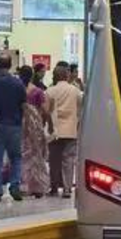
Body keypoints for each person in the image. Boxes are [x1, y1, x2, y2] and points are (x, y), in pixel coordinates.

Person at [0, 54, 27, 202]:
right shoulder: (18, 84)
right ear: (10, 65)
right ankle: (15, 186)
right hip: (14, 126)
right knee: (16, 158)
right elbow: (23, 105)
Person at [45, 64, 83, 198]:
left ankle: (54, 187)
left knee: (54, 160)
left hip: (54, 130)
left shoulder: (50, 91)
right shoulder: (75, 91)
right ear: (66, 76)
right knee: (68, 161)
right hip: (71, 129)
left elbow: (46, 110)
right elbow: (80, 108)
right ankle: (67, 189)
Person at [18, 66, 50, 198]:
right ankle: (38, 186)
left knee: (23, 154)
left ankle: (24, 185)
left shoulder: (17, 90)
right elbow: (45, 110)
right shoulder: (37, 91)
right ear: (32, 76)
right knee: (37, 155)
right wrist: (49, 124)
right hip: (34, 125)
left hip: (20, 124)